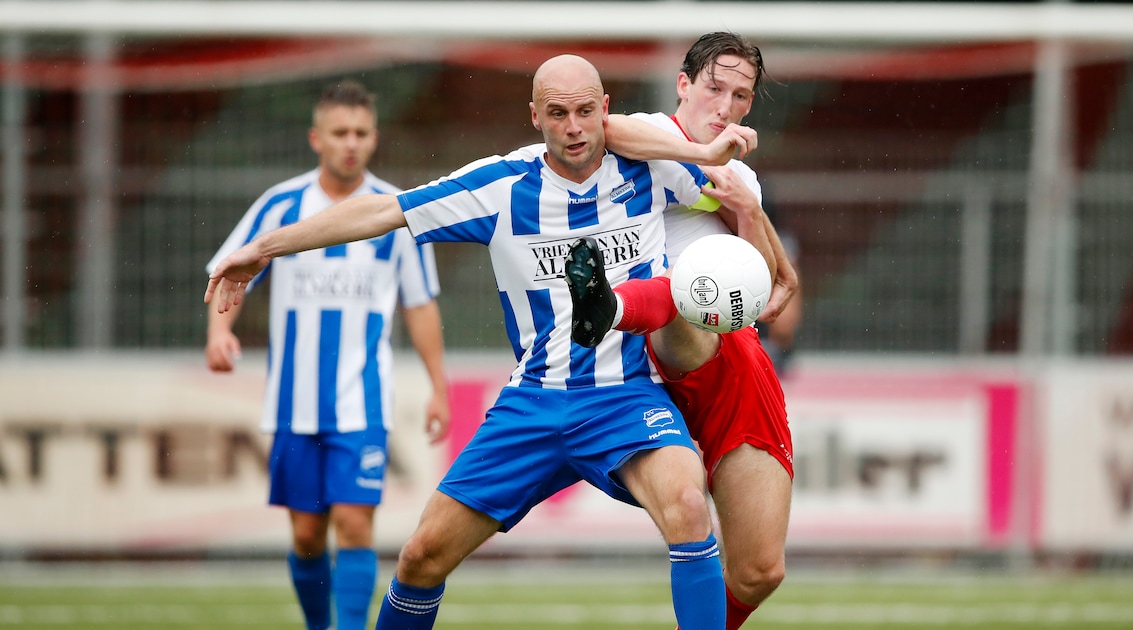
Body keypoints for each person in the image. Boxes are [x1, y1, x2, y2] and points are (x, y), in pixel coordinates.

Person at [206, 55, 760, 630]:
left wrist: (775, 265)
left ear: (606, 112)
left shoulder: (653, 169)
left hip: (625, 398)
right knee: (421, 558)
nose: (574, 128)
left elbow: (739, 198)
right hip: (533, 403)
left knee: (690, 506)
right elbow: (380, 211)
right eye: (558, 113)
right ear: (534, 118)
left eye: (585, 112)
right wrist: (266, 247)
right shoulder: (499, 187)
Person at [204, 79, 450, 630]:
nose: (350, 143)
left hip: (361, 400)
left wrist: (438, 386)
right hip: (293, 400)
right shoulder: (281, 205)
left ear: (374, 139)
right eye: (340, 132)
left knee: (355, 526)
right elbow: (232, 271)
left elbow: (420, 304)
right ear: (317, 137)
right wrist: (218, 334)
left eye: (361, 133)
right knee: (306, 534)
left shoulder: (393, 211)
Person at [581, 32, 801, 630]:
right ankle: (612, 306)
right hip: (641, 358)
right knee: (687, 297)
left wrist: (750, 213)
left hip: (726, 364)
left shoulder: (742, 184)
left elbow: (759, 296)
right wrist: (706, 160)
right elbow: (607, 128)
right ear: (683, 85)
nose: (725, 106)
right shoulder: (653, 134)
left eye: (741, 96)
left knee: (761, 570)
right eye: (714, 88)